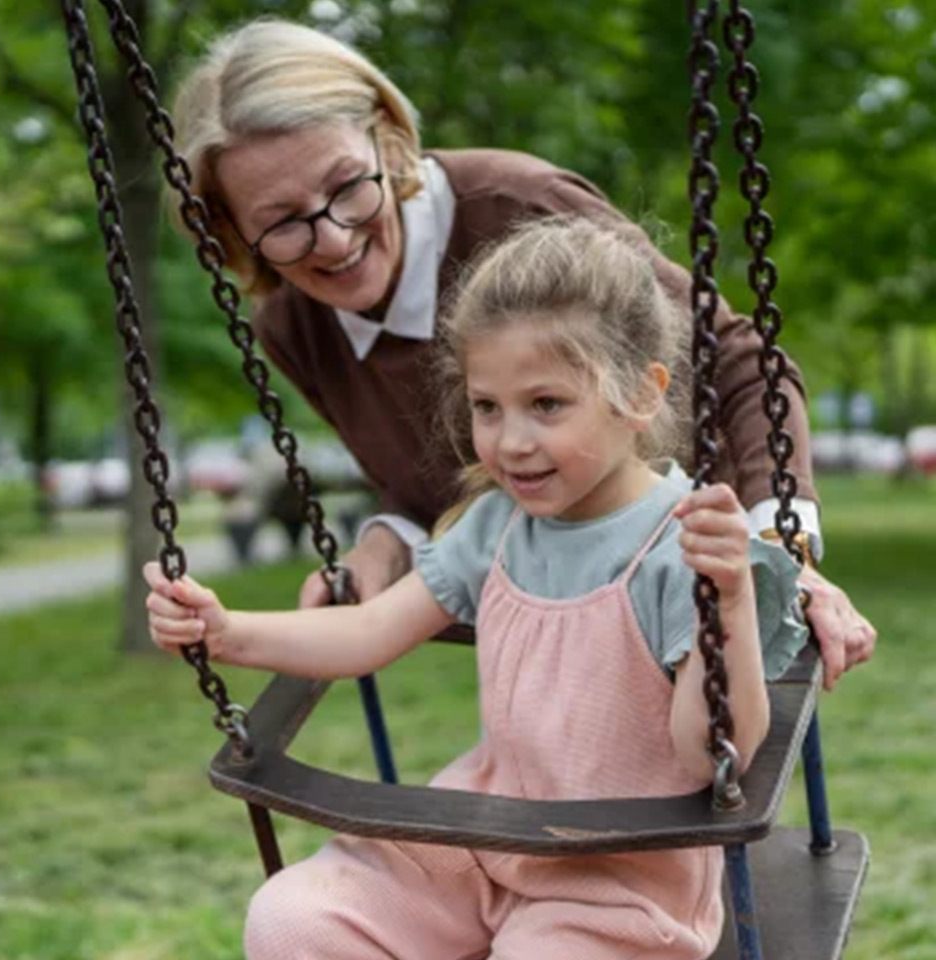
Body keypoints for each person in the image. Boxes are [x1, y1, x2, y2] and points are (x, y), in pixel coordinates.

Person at [144, 218, 811, 958]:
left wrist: (729, 600)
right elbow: (370, 631)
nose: (510, 441)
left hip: (621, 873)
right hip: (480, 834)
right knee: (293, 918)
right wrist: (227, 632)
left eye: (547, 404)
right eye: (487, 407)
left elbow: (707, 754)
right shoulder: (496, 525)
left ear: (642, 393)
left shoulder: (685, 546)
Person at [169, 17, 875, 689]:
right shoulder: (295, 324)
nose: (331, 240)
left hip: (683, 582)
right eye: (284, 222)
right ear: (231, 231)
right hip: (554, 625)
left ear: (386, 143)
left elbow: (745, 367)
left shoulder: (518, 206)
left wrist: (781, 552)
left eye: (348, 187)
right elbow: (433, 473)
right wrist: (383, 544)